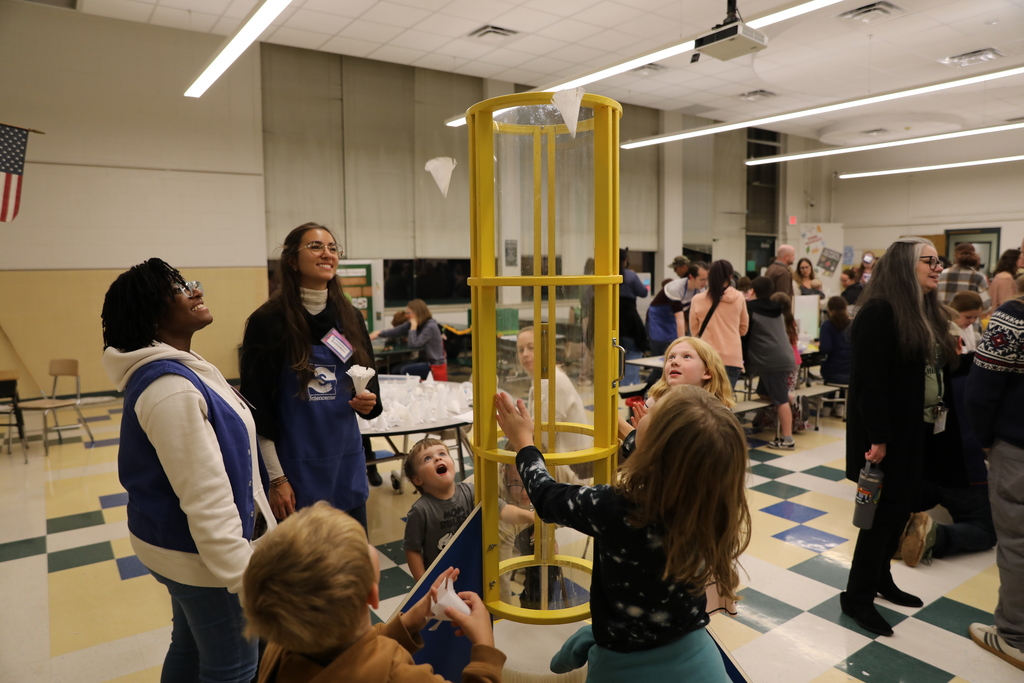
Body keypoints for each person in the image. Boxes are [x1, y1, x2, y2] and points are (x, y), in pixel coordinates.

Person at [495, 385, 750, 682]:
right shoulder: (710, 504)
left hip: (624, 667)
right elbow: (672, 460)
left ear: (656, 445)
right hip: (698, 658)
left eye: (652, 411)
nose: (645, 408)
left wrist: (523, 442)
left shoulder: (617, 508)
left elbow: (546, 496)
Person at [101, 258, 273, 683]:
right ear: (150, 313)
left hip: (181, 549)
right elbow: (205, 498)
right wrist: (244, 578)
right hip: (202, 558)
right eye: (179, 288)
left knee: (191, 644)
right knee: (233, 667)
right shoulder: (170, 389)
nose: (195, 291)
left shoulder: (183, 367)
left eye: (189, 283)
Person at [242, 502, 506, 683]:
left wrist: (408, 623)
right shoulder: (399, 676)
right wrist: (484, 648)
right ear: (372, 596)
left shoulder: (280, 647)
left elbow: (356, 654)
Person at [841, 236, 957, 637]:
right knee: (879, 518)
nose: (938, 267)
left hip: (918, 428)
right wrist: (879, 437)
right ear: (905, 266)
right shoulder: (878, 312)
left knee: (900, 510)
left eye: (938, 260)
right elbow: (869, 384)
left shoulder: (923, 309)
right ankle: (856, 598)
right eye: (930, 260)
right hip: (886, 435)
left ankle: (880, 580)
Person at [241, 223, 382, 526]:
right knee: (307, 571)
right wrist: (277, 480)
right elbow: (256, 413)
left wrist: (368, 402)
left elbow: (372, 389)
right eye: (316, 247)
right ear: (292, 260)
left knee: (353, 569)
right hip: (294, 474)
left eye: (333, 248)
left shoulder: (351, 317)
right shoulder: (268, 321)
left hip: (345, 467)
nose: (327, 253)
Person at [964, 286, 1024, 671]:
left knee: (1017, 543)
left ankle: (1014, 636)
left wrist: (986, 442)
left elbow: (980, 392)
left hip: (1017, 448)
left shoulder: (1012, 318)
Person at [403, 438, 533, 581]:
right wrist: (424, 586)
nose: (437, 458)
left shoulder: (471, 492)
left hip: (475, 572)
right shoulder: (421, 510)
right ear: (417, 480)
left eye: (442, 453)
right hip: (441, 580)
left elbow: (503, 510)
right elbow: (412, 550)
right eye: (427, 458)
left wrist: (532, 517)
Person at [515, 327, 591, 460]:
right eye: (521, 350)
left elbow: (541, 440)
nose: (525, 354)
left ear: (545, 350)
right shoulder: (543, 377)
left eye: (531, 347)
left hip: (568, 468)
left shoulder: (551, 381)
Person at [744, 277, 797, 450]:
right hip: (785, 357)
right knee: (765, 393)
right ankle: (791, 398)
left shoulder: (750, 309)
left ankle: (788, 440)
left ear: (752, 291)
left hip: (770, 361)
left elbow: (745, 334)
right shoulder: (778, 309)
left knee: (780, 400)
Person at [689, 260, 749, 388]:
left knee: (705, 402)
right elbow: (744, 329)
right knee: (724, 403)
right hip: (732, 357)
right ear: (731, 277)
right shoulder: (739, 297)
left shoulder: (697, 300)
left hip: (706, 357)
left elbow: (694, 332)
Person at [370, 299, 447, 380]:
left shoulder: (430, 326)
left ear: (417, 313)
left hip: (434, 364)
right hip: (423, 360)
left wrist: (413, 327)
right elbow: (397, 330)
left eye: (408, 313)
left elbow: (413, 344)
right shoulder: (418, 323)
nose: (406, 315)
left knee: (405, 371)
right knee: (395, 369)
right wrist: (378, 333)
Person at [618, 248, 649, 385]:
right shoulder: (630, 276)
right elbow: (643, 292)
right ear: (625, 260)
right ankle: (628, 390)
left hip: (610, 321)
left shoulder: (603, 276)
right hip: (629, 322)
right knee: (632, 356)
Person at [937, 242, 991, 311]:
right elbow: (986, 305)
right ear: (974, 255)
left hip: (943, 318)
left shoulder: (940, 274)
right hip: (968, 320)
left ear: (955, 255)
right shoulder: (978, 277)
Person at [664, 261, 709, 335]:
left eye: (707, 279)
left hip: (676, 318)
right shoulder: (676, 288)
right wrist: (682, 341)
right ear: (691, 277)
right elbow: (679, 318)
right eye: (702, 280)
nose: (705, 283)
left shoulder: (700, 289)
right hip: (660, 318)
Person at [819, 296, 851, 385]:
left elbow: (826, 349)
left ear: (829, 310)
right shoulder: (852, 324)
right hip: (852, 371)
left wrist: (820, 345)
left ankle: (830, 397)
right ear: (846, 308)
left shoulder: (827, 326)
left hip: (833, 371)